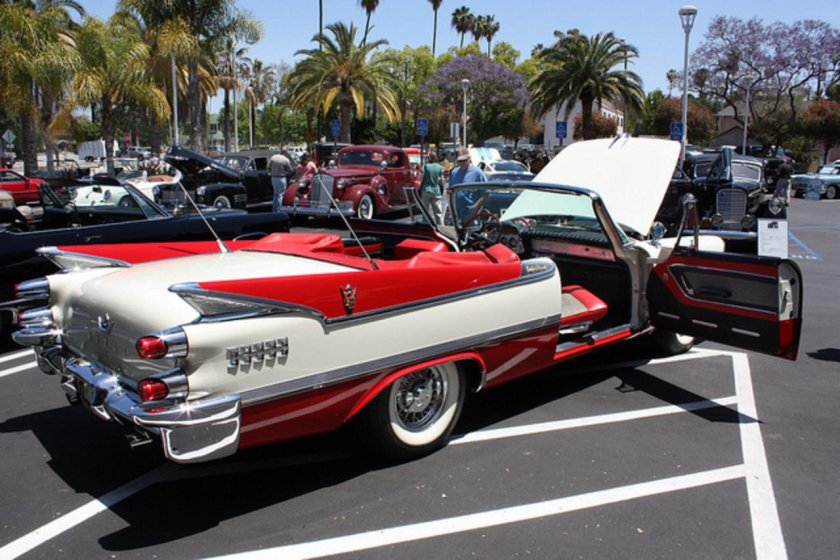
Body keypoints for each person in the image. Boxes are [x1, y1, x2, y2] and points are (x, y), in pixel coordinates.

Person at [420, 152, 445, 224]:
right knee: (438, 211)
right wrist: (441, 187)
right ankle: (440, 226)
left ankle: (426, 225)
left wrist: (419, 188)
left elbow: (422, 178)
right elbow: (442, 181)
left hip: (426, 190)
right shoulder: (439, 167)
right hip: (436, 190)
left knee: (425, 210)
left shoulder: (425, 166)